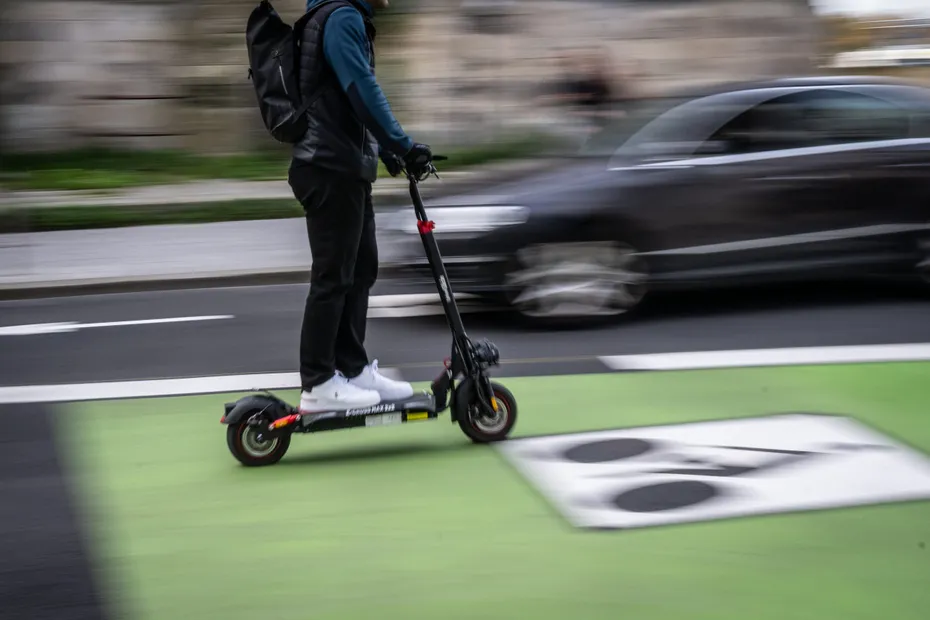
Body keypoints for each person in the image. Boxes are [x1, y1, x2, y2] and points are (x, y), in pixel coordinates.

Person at [289, 0, 433, 413]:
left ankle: (351, 369)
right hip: (328, 168)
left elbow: (343, 101)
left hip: (343, 168)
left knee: (360, 269)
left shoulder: (337, 16)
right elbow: (360, 88)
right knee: (333, 277)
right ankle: (318, 382)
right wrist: (401, 144)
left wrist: (384, 151)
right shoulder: (342, 18)